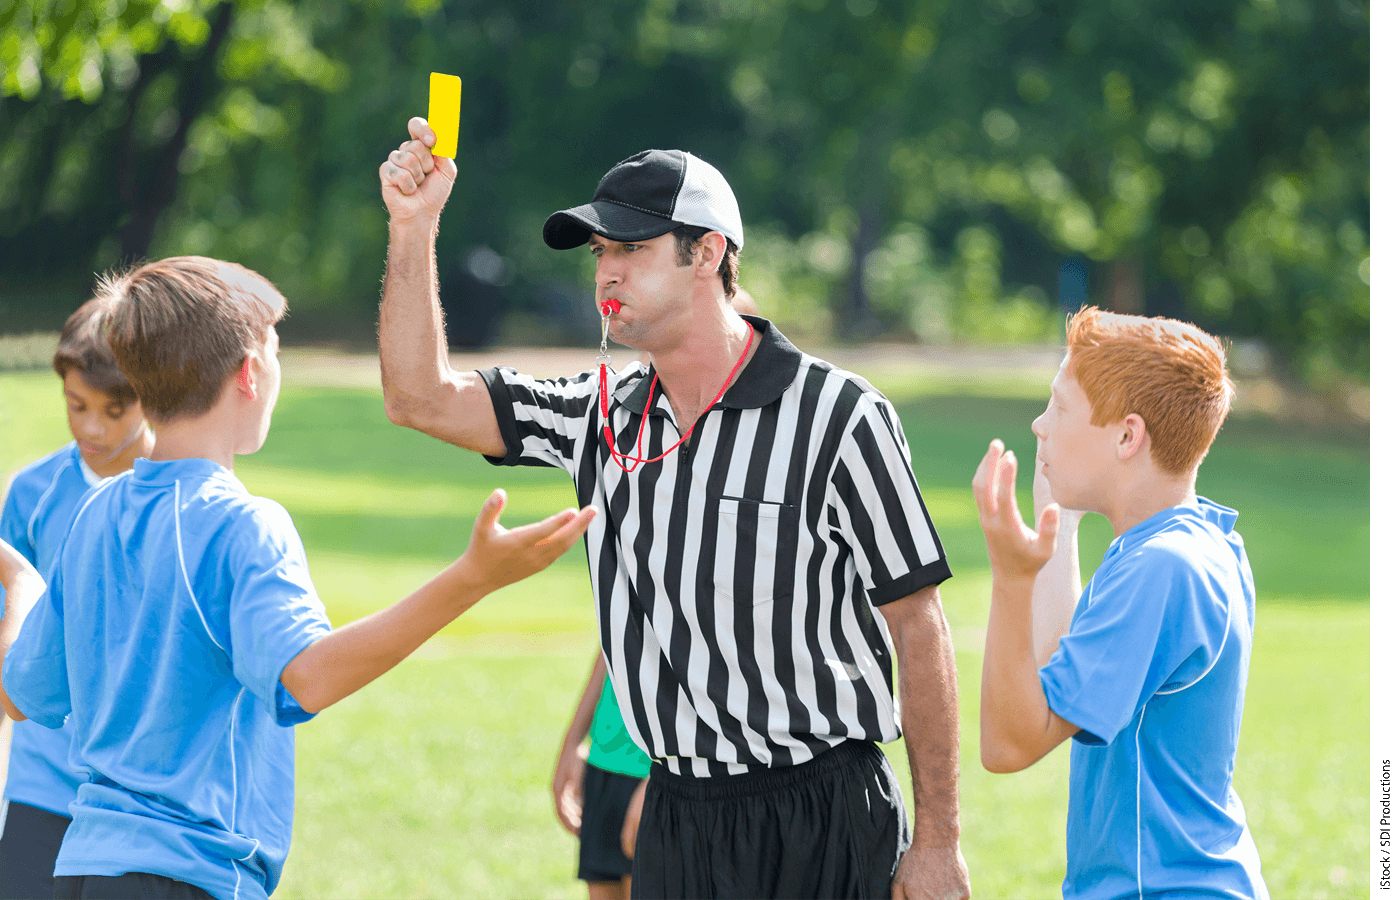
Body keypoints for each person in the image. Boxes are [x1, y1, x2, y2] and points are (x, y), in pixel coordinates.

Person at [378, 119, 971, 900]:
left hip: (825, 811)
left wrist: (938, 840)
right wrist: (414, 227)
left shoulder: (839, 414)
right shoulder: (599, 415)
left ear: (710, 252)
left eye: (632, 248)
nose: (607, 275)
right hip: (678, 819)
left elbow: (917, 623)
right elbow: (419, 398)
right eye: (600, 253)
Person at [0, 256, 596, 900]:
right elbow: (308, 677)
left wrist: (25, 587)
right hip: (185, 875)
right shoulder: (240, 524)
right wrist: (472, 579)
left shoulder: (93, 514)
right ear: (250, 374)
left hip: (82, 869)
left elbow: (22, 693)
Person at [973, 306, 1269, 899]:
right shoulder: (1183, 544)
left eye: (1059, 407)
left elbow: (1011, 744)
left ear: (1127, 436)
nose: (1039, 424)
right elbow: (1064, 674)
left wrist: (1012, 579)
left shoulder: (1161, 569)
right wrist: (1055, 520)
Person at [551, 290, 758, 900]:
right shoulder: (643, 493)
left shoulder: (742, 519)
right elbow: (615, 641)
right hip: (612, 758)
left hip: (677, 771)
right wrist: (576, 743)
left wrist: (666, 781)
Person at [0, 297, 157, 900]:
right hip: (40, 785)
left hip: (134, 797)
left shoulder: (179, 494)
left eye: (115, 411)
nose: (92, 427)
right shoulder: (33, 491)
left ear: (154, 394)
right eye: (76, 406)